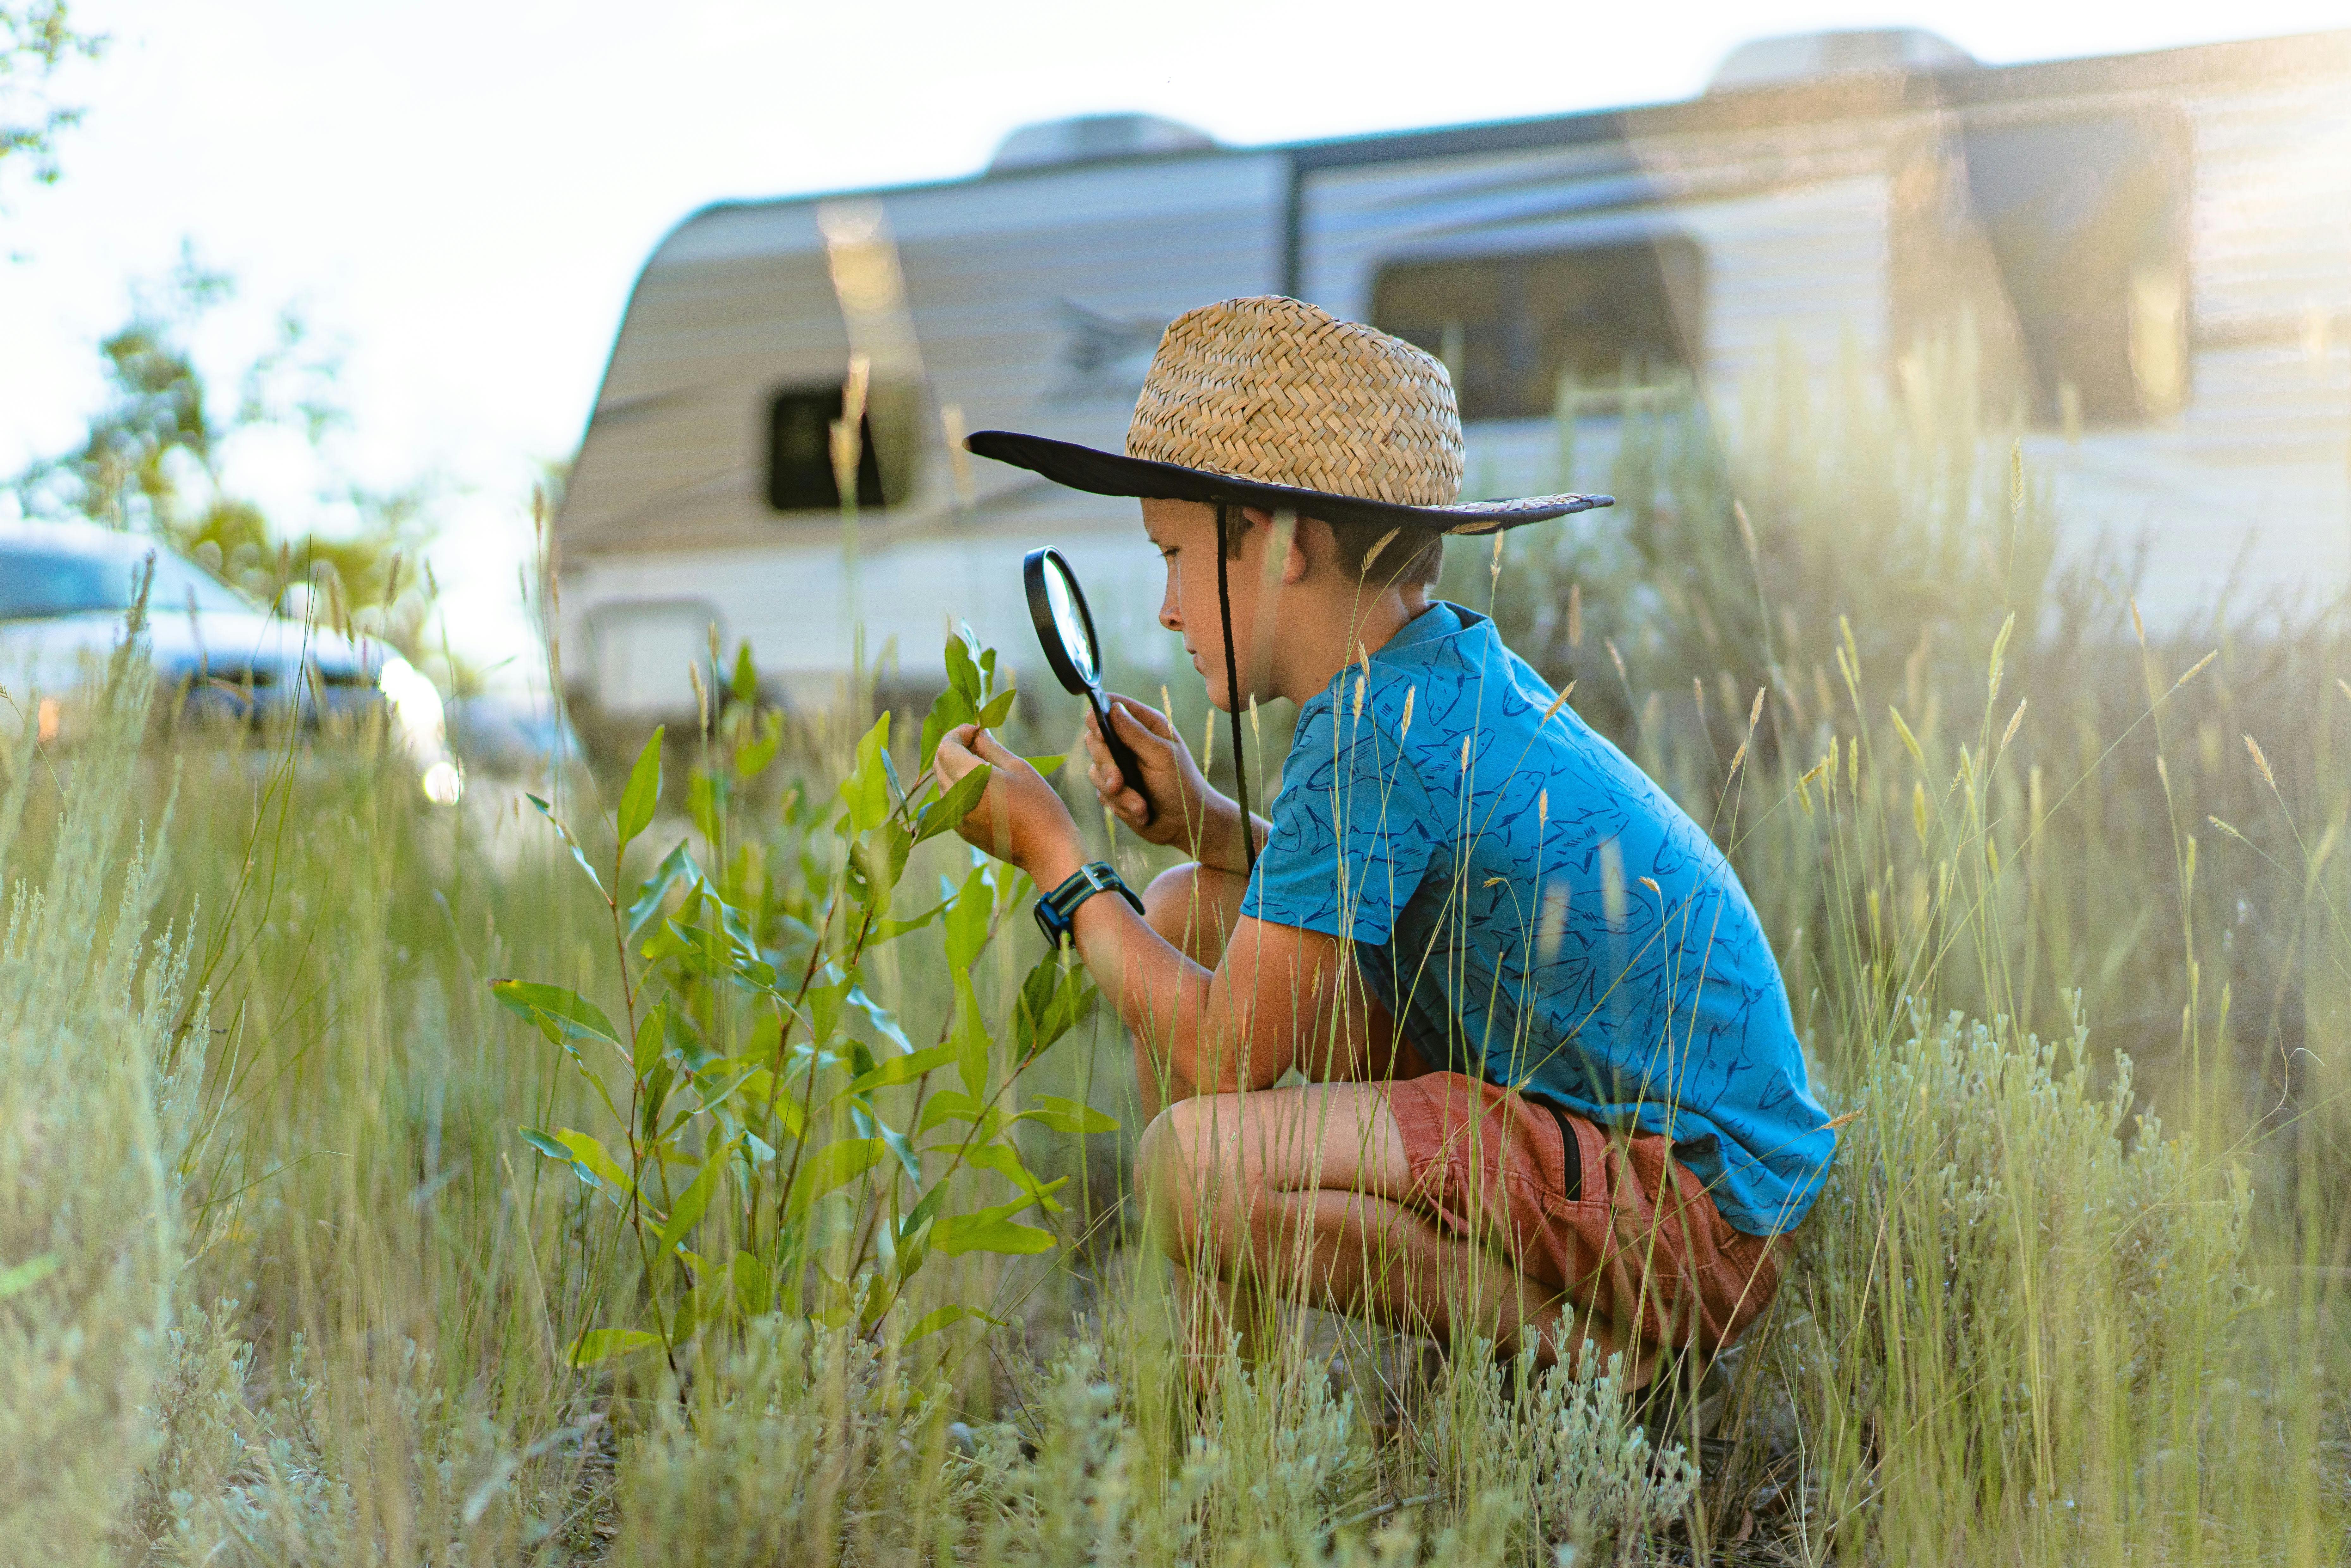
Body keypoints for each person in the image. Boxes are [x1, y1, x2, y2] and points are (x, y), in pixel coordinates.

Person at [934, 296, 1835, 1386]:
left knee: (1193, 1167)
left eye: (1173, 554)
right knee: (1183, 903)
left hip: (1689, 1219)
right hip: (1621, 1151)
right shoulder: (1425, 678)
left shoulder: (1371, 729)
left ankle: (1604, 1365)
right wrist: (1209, 826)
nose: (1166, 610)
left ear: (1280, 548)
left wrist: (1056, 863)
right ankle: (1227, 1405)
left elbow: (1228, 1053)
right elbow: (1386, 891)